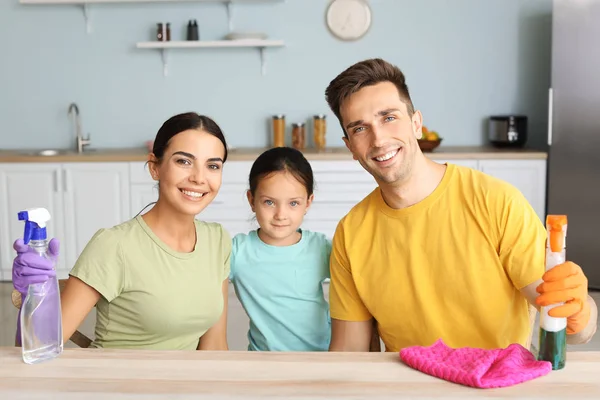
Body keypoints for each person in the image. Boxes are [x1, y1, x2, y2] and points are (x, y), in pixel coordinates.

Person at [323, 58, 598, 352]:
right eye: (360, 129)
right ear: (350, 146)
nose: (378, 139)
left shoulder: (496, 203)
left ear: (416, 123)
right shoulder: (351, 234)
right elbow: (348, 355)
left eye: (389, 117)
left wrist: (580, 313)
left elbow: (572, 330)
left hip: (496, 389)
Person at [12, 112, 232, 350]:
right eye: (184, 161)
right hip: (116, 384)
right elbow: (38, 347)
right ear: (155, 167)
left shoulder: (217, 240)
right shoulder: (113, 245)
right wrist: (33, 295)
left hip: (184, 386)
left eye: (212, 165)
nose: (199, 178)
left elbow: (214, 348)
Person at [229, 147, 332, 351]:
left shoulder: (321, 248)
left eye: (293, 203)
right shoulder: (237, 252)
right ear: (251, 200)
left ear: (308, 202)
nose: (281, 214)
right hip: (262, 363)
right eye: (269, 202)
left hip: (320, 358)